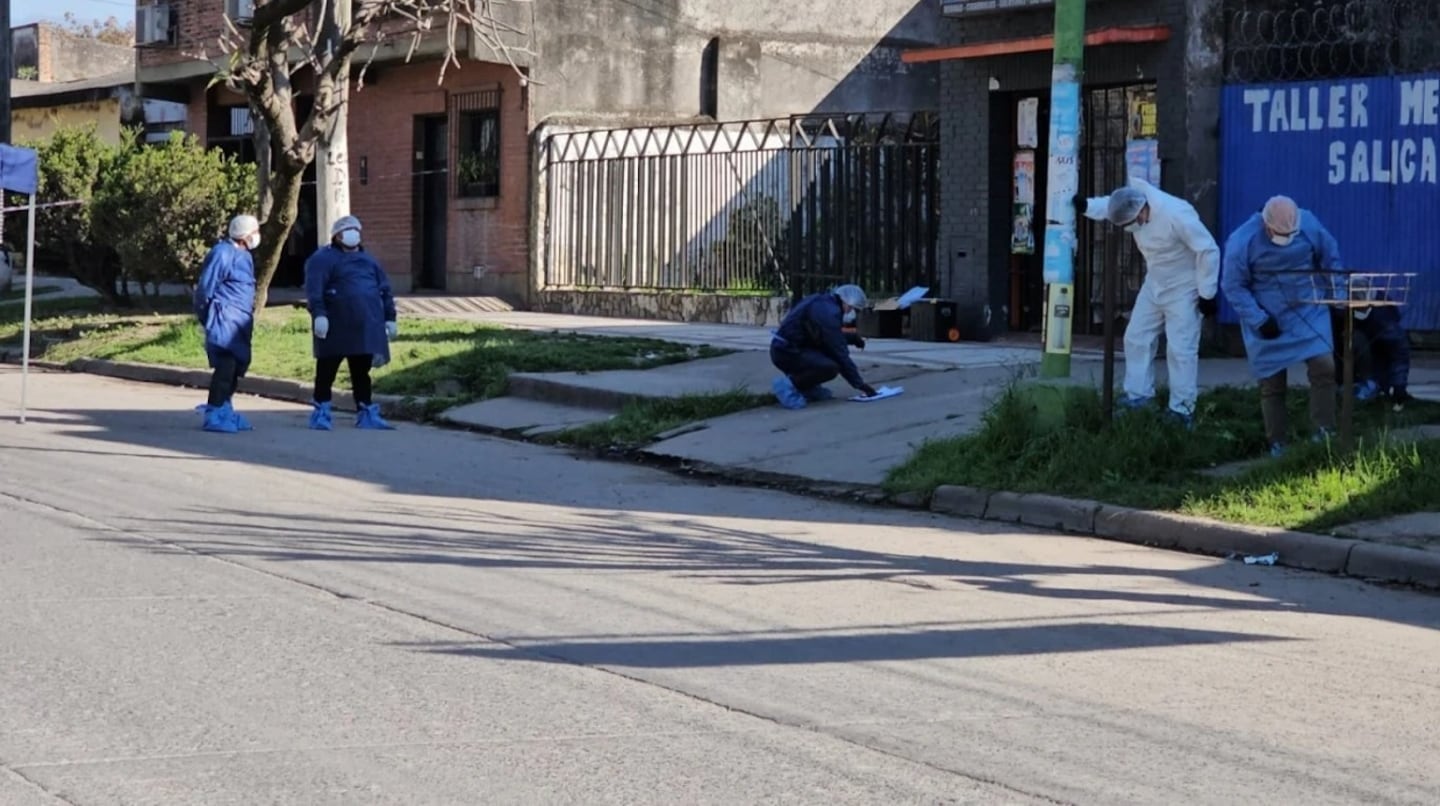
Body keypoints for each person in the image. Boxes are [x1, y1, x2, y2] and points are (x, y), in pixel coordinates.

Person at [1079, 177, 1221, 425]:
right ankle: (1139, 396)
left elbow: (1208, 249)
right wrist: (1085, 206)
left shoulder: (1176, 213)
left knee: (1181, 349)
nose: (1130, 229)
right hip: (1155, 282)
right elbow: (1111, 206)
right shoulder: (1131, 203)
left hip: (1184, 287)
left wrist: (1207, 293)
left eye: (1130, 224)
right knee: (1136, 337)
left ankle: (1182, 409)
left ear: (1142, 211)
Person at [1221, 195, 1341, 457]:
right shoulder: (1242, 240)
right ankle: (1277, 442)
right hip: (1268, 312)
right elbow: (1233, 285)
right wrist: (1258, 319)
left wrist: (1340, 298)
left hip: (1307, 307)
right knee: (1272, 381)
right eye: (1279, 233)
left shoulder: (1309, 225)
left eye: (1291, 233)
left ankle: (1324, 431)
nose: (1285, 238)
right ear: (1266, 225)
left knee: (1324, 367)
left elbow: (1331, 259)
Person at [305, 215, 398, 430]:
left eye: (355, 229)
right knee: (327, 371)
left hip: (365, 326)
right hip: (334, 325)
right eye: (346, 230)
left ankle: (366, 411)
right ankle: (321, 412)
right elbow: (314, 289)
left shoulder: (370, 261)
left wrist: (390, 317)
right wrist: (319, 314)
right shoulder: (322, 260)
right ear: (336, 236)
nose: (351, 234)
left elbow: (384, 290)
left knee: (361, 373)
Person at [192, 214, 260, 434]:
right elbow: (206, 287)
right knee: (226, 365)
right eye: (254, 232)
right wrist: (205, 315)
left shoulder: (245, 256)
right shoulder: (222, 253)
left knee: (237, 367)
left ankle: (226, 408)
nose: (257, 236)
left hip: (240, 319)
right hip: (224, 317)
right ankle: (214, 412)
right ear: (244, 235)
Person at [769, 284, 877, 409]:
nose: (853, 314)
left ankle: (807, 387)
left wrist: (852, 338)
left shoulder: (824, 303)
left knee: (825, 359)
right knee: (830, 367)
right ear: (847, 303)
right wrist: (860, 385)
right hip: (787, 351)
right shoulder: (829, 313)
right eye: (854, 309)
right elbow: (838, 352)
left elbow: (826, 335)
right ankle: (788, 386)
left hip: (788, 348)